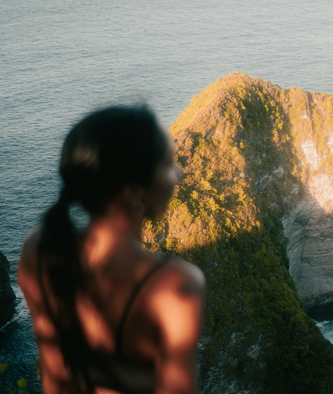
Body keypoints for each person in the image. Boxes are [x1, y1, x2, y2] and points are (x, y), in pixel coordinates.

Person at [18, 105, 205, 394]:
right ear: (132, 191)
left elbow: (55, 376)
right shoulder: (174, 285)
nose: (177, 175)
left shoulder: (38, 252)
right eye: (168, 164)